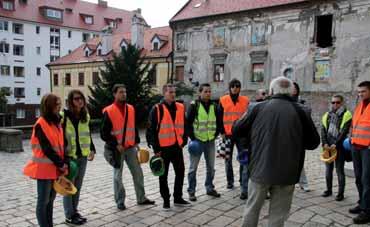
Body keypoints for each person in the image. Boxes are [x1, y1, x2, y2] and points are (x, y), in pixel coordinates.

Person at [233, 76, 320, 227]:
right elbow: (313, 143)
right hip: (288, 172)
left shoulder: (256, 108)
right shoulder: (302, 111)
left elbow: (236, 130)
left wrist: (251, 137)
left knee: (252, 209)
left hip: (260, 169)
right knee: (278, 216)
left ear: (271, 91)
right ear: (292, 92)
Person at [101, 84, 154, 210]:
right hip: (116, 149)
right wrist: (116, 144)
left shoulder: (130, 108)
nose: (123, 94)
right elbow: (104, 133)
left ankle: (141, 198)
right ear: (114, 94)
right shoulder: (108, 111)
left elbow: (133, 126)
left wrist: (136, 141)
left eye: (125, 92)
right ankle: (120, 201)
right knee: (117, 177)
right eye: (120, 92)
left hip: (130, 148)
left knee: (138, 173)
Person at [23, 94, 68, 227]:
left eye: (59, 103)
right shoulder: (41, 124)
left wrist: (64, 161)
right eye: (57, 104)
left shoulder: (57, 122)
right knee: (43, 201)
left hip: (54, 167)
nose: (59, 106)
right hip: (44, 169)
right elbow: (47, 148)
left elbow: (62, 145)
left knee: (50, 200)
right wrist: (61, 164)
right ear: (49, 106)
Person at [147, 83, 190, 209]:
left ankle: (178, 197)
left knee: (180, 172)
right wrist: (156, 149)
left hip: (177, 146)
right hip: (163, 148)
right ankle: (166, 199)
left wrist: (184, 140)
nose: (173, 94)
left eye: (174, 92)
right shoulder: (157, 109)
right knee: (163, 175)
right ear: (164, 93)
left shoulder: (180, 107)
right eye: (170, 92)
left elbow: (185, 125)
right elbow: (151, 131)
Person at [61, 90, 96, 225]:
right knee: (68, 187)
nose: (80, 101)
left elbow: (87, 133)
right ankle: (69, 215)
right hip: (70, 157)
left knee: (78, 186)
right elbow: (60, 136)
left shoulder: (85, 115)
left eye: (81, 98)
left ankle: (74, 211)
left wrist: (92, 149)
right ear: (71, 101)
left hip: (82, 156)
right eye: (76, 99)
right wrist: (63, 157)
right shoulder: (64, 115)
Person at [186, 83, 221, 201]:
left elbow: (219, 122)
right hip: (197, 141)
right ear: (199, 93)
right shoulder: (194, 106)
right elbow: (188, 124)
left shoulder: (215, 106)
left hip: (210, 141)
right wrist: (193, 138)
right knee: (193, 168)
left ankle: (209, 188)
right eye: (205, 91)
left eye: (209, 91)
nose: (208, 93)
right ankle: (191, 191)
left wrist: (216, 134)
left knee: (211, 167)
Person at [218, 78, 250, 199]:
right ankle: (230, 182)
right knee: (228, 159)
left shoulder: (245, 100)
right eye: (233, 86)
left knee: (243, 158)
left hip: (241, 135)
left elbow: (248, 117)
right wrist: (221, 131)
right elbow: (219, 117)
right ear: (230, 88)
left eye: (237, 86)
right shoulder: (223, 100)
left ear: (240, 88)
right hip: (227, 134)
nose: (235, 88)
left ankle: (242, 180)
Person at [321, 95, 352, 201]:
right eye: (333, 102)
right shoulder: (327, 115)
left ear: (341, 103)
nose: (335, 104)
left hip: (339, 147)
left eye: (337, 102)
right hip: (328, 147)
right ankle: (328, 190)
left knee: (339, 170)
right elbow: (323, 130)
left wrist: (336, 144)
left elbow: (344, 131)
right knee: (328, 170)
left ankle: (340, 193)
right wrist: (324, 143)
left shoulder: (347, 114)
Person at [349, 81, 370, 224]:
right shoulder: (359, 106)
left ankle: (367, 211)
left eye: (363, 91)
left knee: (367, 179)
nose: (360, 94)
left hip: (368, 148)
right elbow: (354, 124)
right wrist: (350, 138)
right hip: (356, 146)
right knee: (358, 177)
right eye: (359, 92)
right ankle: (362, 202)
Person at [292, 82, 311, 192]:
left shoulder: (301, 102)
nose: (293, 90)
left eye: (295, 88)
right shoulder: (286, 101)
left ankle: (303, 183)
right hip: (289, 135)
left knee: (299, 161)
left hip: (299, 136)